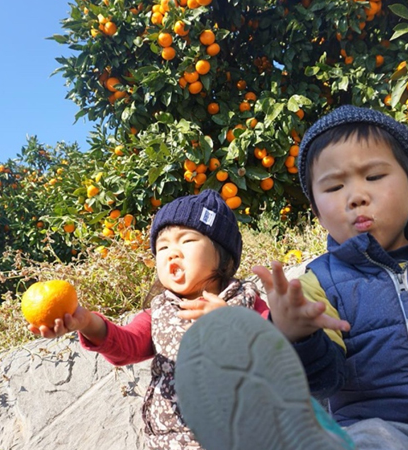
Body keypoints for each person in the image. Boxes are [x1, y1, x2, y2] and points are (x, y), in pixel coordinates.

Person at [174, 105, 408, 450]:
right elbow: (326, 380)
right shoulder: (320, 284)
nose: (357, 196)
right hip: (377, 424)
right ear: (316, 212)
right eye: (334, 187)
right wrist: (300, 337)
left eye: (374, 176)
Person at [28, 189, 269, 450]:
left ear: (223, 255)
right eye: (163, 246)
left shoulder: (245, 303)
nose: (172, 253)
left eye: (186, 241)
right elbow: (127, 345)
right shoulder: (160, 311)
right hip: (171, 440)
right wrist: (86, 322)